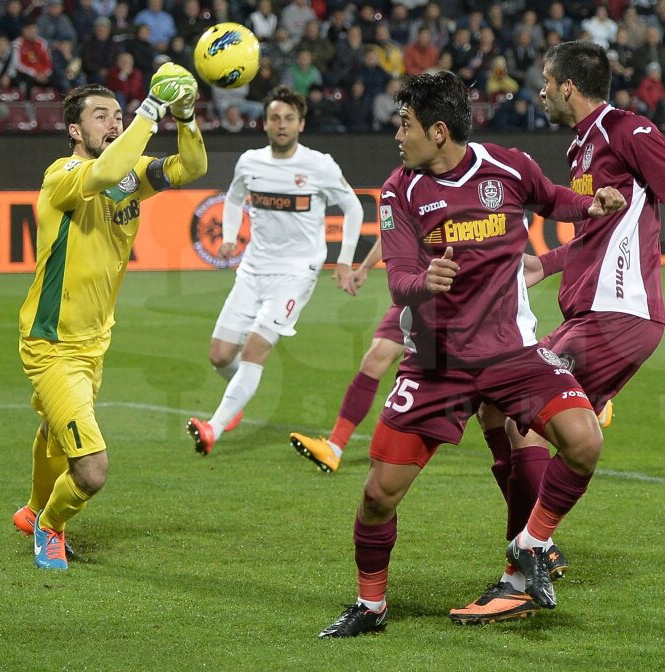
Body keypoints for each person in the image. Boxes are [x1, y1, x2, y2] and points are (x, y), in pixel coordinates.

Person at [449, 40, 665, 625]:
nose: (538, 92)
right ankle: (537, 546)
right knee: (498, 408)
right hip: (590, 314)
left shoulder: (627, 130)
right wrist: (549, 263)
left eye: (544, 82)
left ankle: (522, 567)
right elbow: (600, 231)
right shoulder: (581, 148)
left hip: (618, 314)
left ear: (567, 86)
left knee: (525, 419)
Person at [317, 71, 626, 638]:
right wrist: (423, 280)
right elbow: (401, 280)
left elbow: (553, 199)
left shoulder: (507, 167)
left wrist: (591, 204)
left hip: (512, 354)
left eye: (404, 124)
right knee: (378, 495)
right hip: (436, 361)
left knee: (584, 441)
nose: (397, 135)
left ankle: (530, 549)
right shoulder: (399, 190)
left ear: (438, 131)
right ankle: (370, 605)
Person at [14, 70, 206, 570]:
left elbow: (192, 165)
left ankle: (32, 508)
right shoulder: (63, 177)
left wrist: (184, 115)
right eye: (101, 116)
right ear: (75, 130)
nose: (114, 123)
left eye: (118, 116)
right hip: (52, 343)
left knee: (57, 433)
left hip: (95, 342)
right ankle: (49, 526)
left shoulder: (127, 177)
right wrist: (149, 111)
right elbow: (102, 175)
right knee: (92, 469)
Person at [186, 86, 364, 455]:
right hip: (253, 268)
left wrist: (345, 259)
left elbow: (354, 208)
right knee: (220, 355)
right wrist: (232, 237)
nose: (281, 125)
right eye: (274, 118)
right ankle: (237, 401)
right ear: (265, 123)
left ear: (301, 124)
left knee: (254, 349)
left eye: (288, 119)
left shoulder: (319, 165)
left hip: (297, 272)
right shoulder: (250, 162)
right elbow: (234, 198)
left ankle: (214, 427)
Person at [289, 239, 407, 473]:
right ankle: (334, 447)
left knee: (475, 378)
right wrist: (364, 268)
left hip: (456, 297)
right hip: (414, 296)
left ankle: (499, 445)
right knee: (374, 361)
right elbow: (391, 231)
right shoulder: (405, 202)